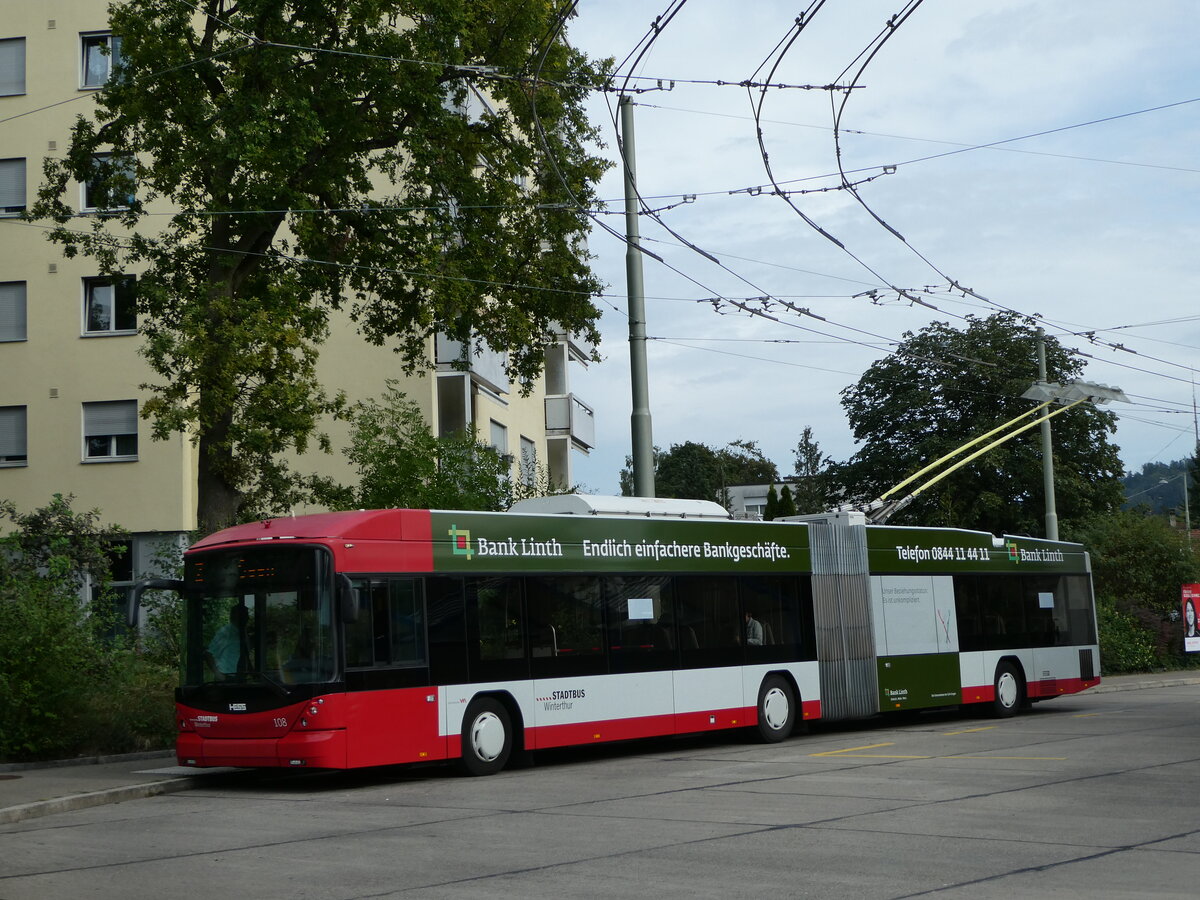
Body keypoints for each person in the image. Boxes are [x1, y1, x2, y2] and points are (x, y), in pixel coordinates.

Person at [205, 603, 248, 678]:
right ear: (236, 616)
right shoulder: (225, 632)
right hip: (227, 678)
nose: (248, 618)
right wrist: (219, 675)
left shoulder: (243, 633)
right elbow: (208, 654)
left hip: (240, 678)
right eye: (245, 615)